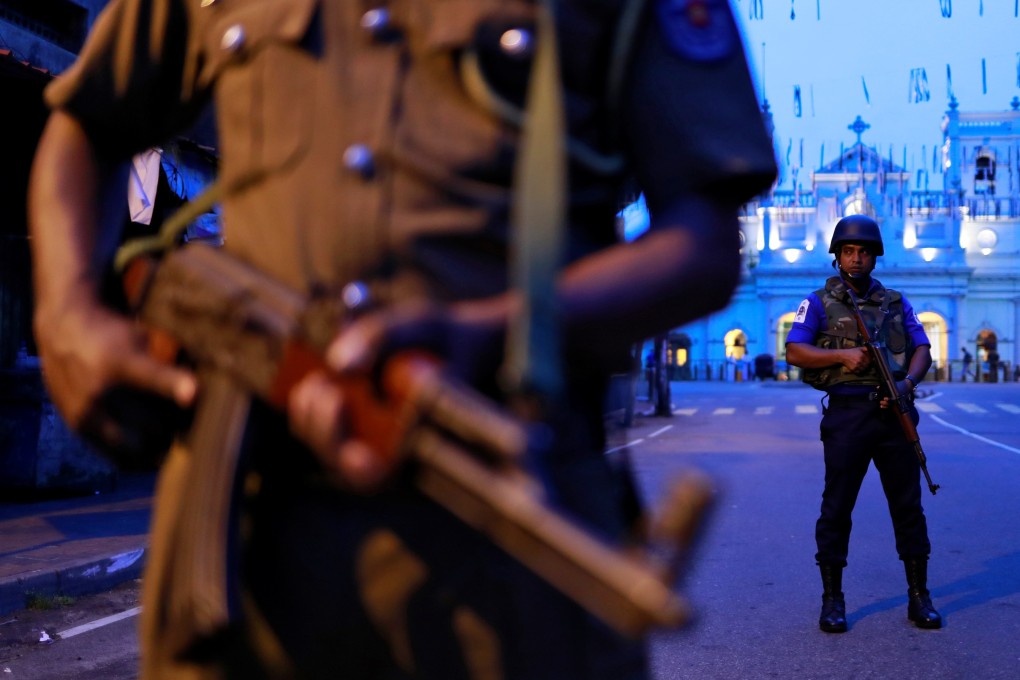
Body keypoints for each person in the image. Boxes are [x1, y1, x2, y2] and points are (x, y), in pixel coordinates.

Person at [28, 1, 776, 678]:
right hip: (243, 539)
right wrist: (66, 316)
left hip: (513, 537)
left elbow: (706, 243)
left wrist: (491, 334)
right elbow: (88, 123)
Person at [785, 215, 942, 634]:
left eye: (864, 251)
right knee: (837, 507)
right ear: (837, 256)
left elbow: (922, 348)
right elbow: (795, 352)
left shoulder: (895, 301)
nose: (856, 259)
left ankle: (918, 596)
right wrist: (841, 357)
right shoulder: (818, 301)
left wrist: (908, 383)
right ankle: (832, 600)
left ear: (875, 256)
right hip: (848, 415)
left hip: (894, 414)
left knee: (908, 507)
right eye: (849, 251)